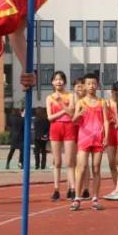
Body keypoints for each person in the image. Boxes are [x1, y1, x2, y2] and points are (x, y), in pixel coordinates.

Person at [71, 73, 109, 211]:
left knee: (96, 167)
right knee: (81, 168)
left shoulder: (102, 102)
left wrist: (106, 136)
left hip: (98, 138)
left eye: (93, 83)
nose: (91, 86)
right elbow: (74, 121)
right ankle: (77, 198)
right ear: (84, 86)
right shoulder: (81, 102)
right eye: (88, 84)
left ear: (97, 85)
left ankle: (95, 199)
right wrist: (78, 114)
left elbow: (106, 120)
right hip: (84, 138)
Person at [46, 70, 76, 201]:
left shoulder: (71, 96)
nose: (58, 81)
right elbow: (50, 117)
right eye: (56, 79)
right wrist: (64, 111)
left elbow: (72, 113)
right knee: (57, 162)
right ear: (52, 82)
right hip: (55, 128)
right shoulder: (49, 98)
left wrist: (61, 103)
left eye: (61, 79)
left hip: (69, 127)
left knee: (70, 161)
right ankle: (56, 189)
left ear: (65, 82)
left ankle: (72, 189)